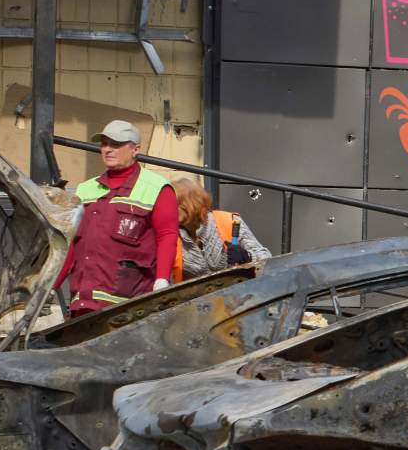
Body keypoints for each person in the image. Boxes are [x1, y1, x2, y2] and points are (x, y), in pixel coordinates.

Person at [58, 120, 177, 318]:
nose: (107, 149)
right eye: (104, 144)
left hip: (130, 308)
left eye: (115, 144)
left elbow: (167, 236)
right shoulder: (85, 189)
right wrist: (51, 286)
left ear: (135, 149)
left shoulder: (157, 188)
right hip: (83, 304)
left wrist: (162, 279)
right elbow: (70, 244)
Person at [172, 178, 267, 280]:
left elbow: (265, 257)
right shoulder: (171, 235)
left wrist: (247, 256)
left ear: (191, 202)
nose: (168, 209)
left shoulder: (228, 221)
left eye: (173, 204)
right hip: (197, 295)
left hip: (237, 291)